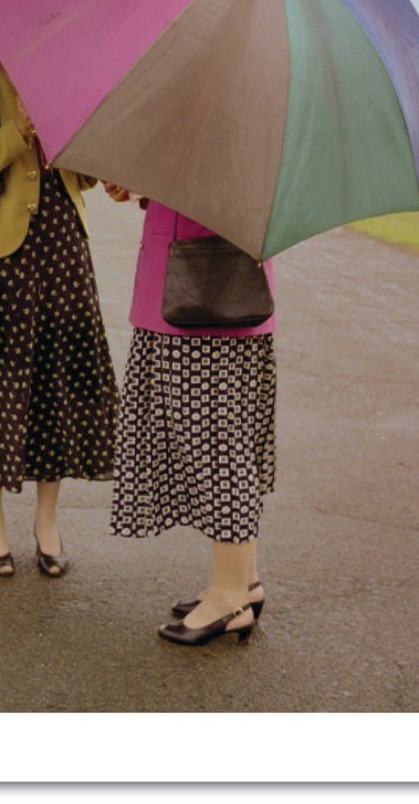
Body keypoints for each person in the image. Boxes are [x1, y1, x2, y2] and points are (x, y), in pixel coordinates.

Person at [0, 50, 118, 579]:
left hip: (62, 249)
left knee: (58, 384)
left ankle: (47, 521)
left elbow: (87, 176)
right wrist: (19, 130)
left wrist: (76, 144)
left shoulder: (64, 73)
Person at [105, 187, 276, 647]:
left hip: (203, 299)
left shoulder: (226, 119)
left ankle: (229, 599)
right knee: (228, 442)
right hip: (199, 291)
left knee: (220, 451)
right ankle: (244, 581)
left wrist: (153, 183)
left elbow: (218, 187)